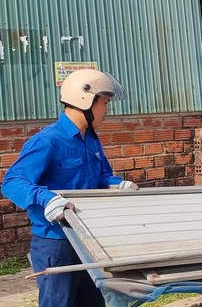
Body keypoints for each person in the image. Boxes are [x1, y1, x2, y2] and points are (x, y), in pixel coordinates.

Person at [1, 69, 138, 307]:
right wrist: (46, 198)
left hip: (86, 238)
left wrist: (117, 184)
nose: (107, 110)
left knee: (92, 301)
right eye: (104, 103)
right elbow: (12, 182)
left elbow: (102, 176)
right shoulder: (49, 140)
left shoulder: (91, 139)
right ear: (86, 101)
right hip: (56, 241)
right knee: (59, 303)